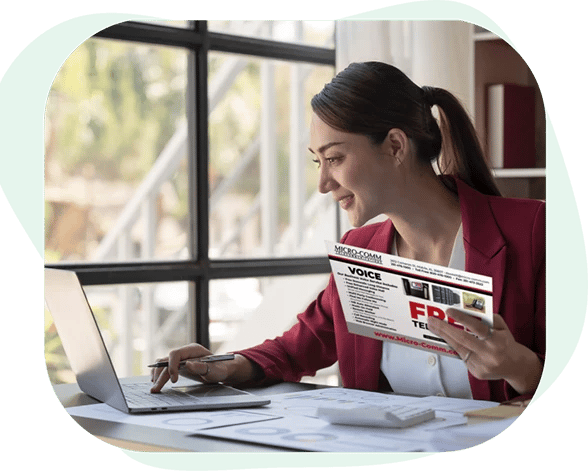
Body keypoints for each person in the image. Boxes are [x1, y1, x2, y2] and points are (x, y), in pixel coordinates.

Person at [151, 62, 545, 402]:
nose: (323, 183)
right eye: (317, 162)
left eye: (335, 158)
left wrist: (522, 368)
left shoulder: (532, 231)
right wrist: (218, 365)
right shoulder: (359, 251)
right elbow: (294, 351)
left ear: (394, 146)